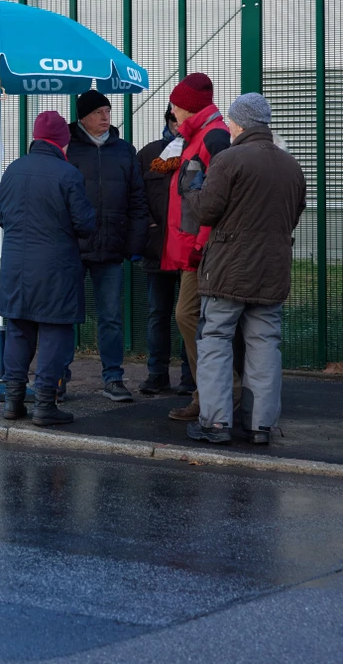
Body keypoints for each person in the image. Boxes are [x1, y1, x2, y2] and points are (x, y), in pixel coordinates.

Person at [181, 93, 306, 444]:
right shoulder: (290, 165)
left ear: (240, 122)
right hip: (272, 270)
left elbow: (206, 210)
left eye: (232, 120)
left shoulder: (228, 159)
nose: (230, 125)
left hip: (227, 272)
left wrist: (190, 190)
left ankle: (215, 423)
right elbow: (293, 216)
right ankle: (259, 426)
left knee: (216, 340)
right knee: (265, 344)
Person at [0, 111, 96, 426]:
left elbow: (2, 216)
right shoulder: (67, 174)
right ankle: (44, 405)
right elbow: (85, 224)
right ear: (61, 142)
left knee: (18, 330)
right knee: (55, 332)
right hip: (55, 268)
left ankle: (13, 402)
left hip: (15, 265)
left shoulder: (13, 170)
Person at [64, 90, 148, 402]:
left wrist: (134, 241)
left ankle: (113, 378)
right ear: (82, 116)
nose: (106, 117)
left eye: (108, 111)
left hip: (111, 246)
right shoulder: (68, 149)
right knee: (65, 314)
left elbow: (138, 199)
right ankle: (59, 376)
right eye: (99, 112)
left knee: (111, 316)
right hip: (73, 247)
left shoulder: (124, 151)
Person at [161, 73, 235, 421]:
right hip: (192, 247)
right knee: (197, 318)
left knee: (189, 316)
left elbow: (220, 198)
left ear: (188, 108)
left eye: (175, 105)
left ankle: (218, 392)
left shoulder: (213, 137)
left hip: (201, 250)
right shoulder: (198, 137)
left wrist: (200, 244)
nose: (172, 111)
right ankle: (209, 393)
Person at [136, 104, 195, 396]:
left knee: (188, 314)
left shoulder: (198, 152)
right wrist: (149, 227)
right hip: (157, 249)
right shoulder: (149, 155)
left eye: (181, 119)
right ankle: (157, 373)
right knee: (158, 312)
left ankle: (189, 376)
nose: (177, 125)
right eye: (173, 119)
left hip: (188, 248)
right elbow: (137, 197)